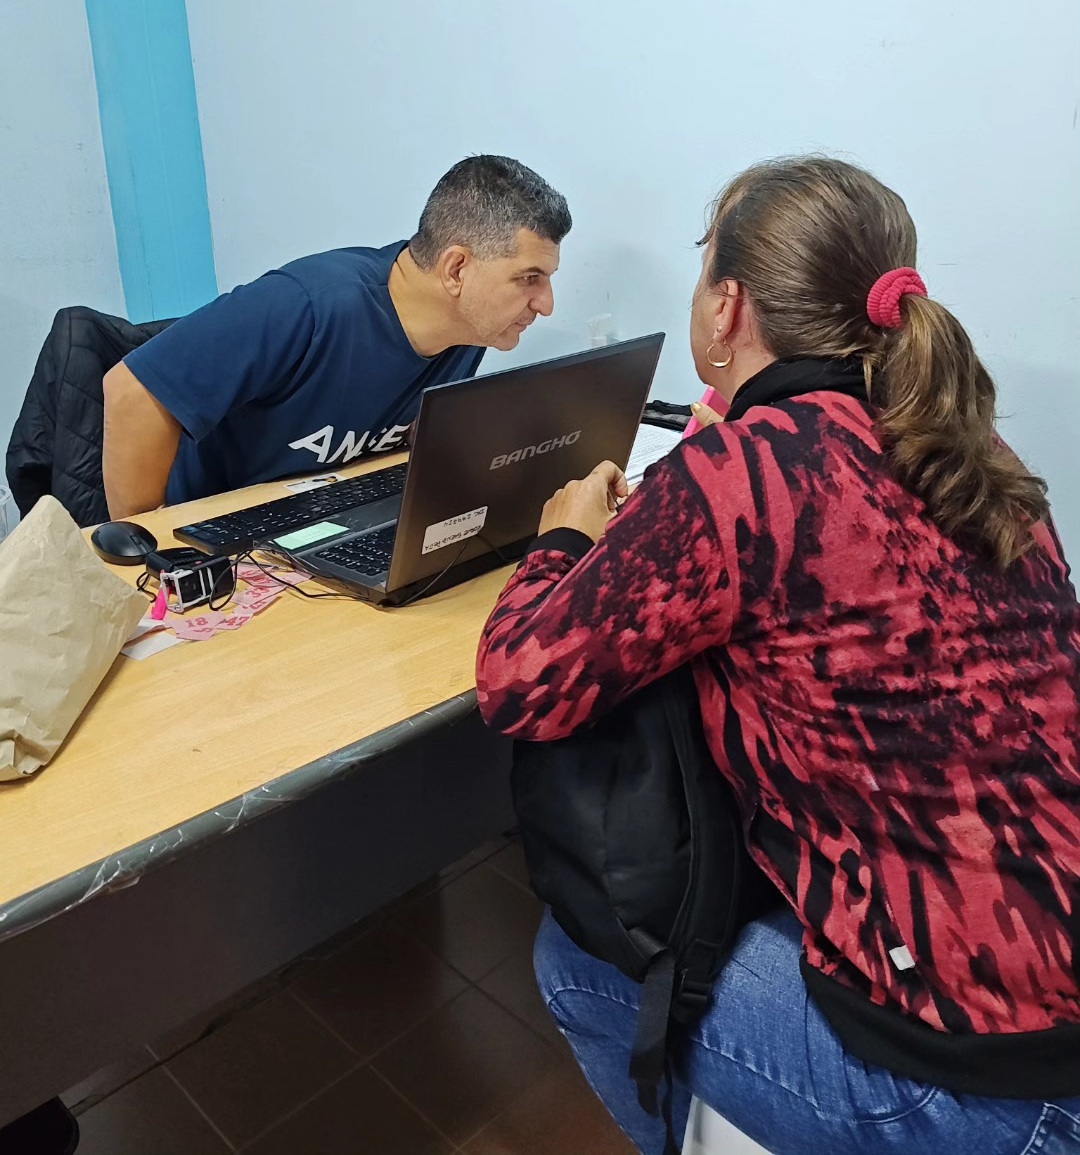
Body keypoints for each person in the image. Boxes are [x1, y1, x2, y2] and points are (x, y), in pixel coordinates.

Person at [475, 157, 1080, 1155]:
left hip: (984, 1083)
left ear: (728, 306)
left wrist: (564, 539)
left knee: (575, 962)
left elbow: (518, 681)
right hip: (1051, 989)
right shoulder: (974, 452)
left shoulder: (742, 473)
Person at [102, 155, 569, 517]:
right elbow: (131, 389)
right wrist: (149, 551)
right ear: (456, 269)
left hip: (327, 516)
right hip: (226, 533)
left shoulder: (469, 328)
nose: (545, 304)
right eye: (529, 278)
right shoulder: (306, 304)